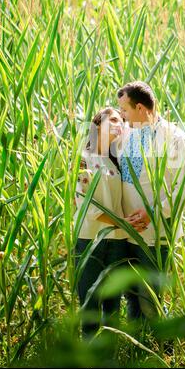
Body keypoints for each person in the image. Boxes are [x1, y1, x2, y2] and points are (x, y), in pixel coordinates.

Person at [116, 81, 185, 323]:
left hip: (156, 233)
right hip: (126, 231)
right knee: (131, 295)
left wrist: (153, 212)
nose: (121, 115)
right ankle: (137, 349)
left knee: (149, 298)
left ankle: (158, 349)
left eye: (125, 110)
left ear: (141, 108)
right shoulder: (127, 133)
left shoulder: (174, 139)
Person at [74, 107, 131, 338]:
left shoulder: (116, 162)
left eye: (122, 121)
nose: (119, 124)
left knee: (113, 304)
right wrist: (123, 223)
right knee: (90, 301)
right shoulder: (83, 159)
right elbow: (87, 205)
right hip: (91, 239)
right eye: (114, 119)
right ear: (98, 125)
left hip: (116, 240)